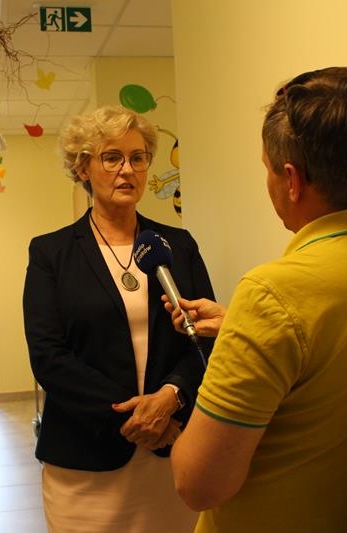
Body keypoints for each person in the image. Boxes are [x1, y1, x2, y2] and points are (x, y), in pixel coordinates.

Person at [167, 67, 347, 532]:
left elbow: (198, 485)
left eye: (267, 169)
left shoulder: (271, 293)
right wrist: (240, 329)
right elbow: (336, 354)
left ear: (291, 180)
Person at [23, 105, 215, 532]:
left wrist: (171, 398)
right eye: (112, 158)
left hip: (172, 447)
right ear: (82, 168)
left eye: (138, 157)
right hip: (85, 459)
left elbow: (204, 339)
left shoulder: (178, 245)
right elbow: (49, 357)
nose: (127, 170)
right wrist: (135, 417)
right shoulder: (51, 253)